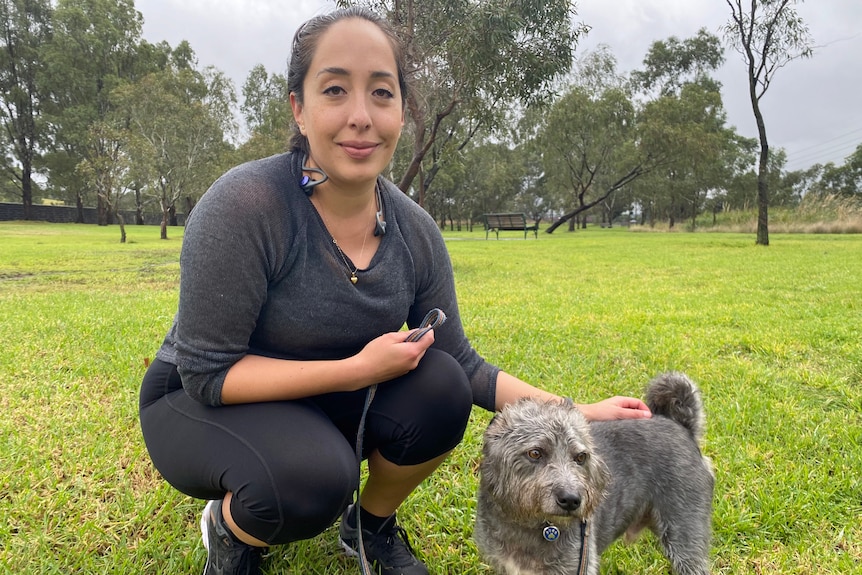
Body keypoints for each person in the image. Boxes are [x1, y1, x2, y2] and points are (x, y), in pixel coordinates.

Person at [138, 7, 651, 575]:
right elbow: (207, 373)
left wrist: (575, 413)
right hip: (199, 399)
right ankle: (230, 532)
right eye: (335, 89)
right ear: (298, 108)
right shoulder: (245, 207)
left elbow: (462, 361)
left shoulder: (414, 230)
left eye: (381, 93)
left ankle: (370, 524)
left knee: (442, 388)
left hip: (318, 401)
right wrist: (356, 370)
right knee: (311, 480)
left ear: (402, 110)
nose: (361, 116)